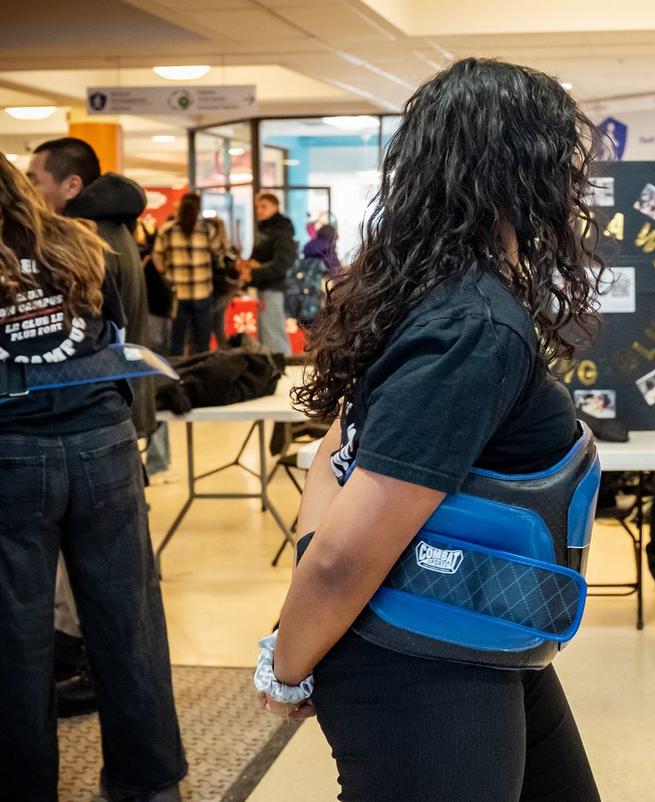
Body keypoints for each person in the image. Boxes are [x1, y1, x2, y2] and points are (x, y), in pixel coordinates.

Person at [255, 58, 603, 802]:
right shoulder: (474, 324)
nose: (575, 183)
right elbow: (345, 553)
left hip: (478, 627)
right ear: (519, 169)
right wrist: (288, 663)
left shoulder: (427, 294)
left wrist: (308, 614)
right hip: (418, 652)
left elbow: (336, 457)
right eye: (562, 159)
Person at [0, 154, 187, 801]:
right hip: (102, 444)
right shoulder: (79, 245)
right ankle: (152, 785)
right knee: (129, 623)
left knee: (17, 639)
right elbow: (111, 336)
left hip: (14, 454)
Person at [26, 137, 155, 716]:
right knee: (116, 591)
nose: (33, 192)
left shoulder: (84, 244)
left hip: (91, 425)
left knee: (94, 588)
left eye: (38, 179)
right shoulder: (113, 235)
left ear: (71, 185)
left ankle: (83, 670)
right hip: (114, 420)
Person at [153, 193, 223, 356]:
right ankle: (202, 375)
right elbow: (219, 252)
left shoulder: (167, 229)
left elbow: (157, 259)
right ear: (199, 208)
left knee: (176, 340)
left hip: (178, 294)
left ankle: (177, 375)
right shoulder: (206, 229)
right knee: (202, 341)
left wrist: (167, 272)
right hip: (202, 292)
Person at [238, 192, 296, 354]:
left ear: (275, 207)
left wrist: (255, 272)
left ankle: (280, 369)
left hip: (273, 287)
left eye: (264, 206)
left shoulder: (281, 231)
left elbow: (283, 263)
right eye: (258, 207)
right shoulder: (266, 229)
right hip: (264, 287)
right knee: (266, 334)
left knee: (273, 335)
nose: (260, 210)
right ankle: (271, 370)